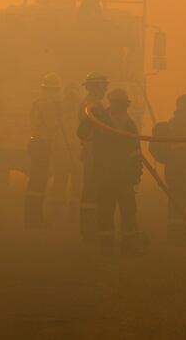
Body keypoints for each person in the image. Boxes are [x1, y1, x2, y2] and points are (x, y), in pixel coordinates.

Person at [77, 89, 144, 255]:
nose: (119, 108)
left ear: (126, 106)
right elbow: (82, 133)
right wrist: (89, 118)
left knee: (128, 211)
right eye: (116, 104)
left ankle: (128, 245)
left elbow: (135, 152)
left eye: (122, 105)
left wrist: (136, 173)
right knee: (105, 211)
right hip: (105, 175)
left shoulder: (130, 125)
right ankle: (106, 244)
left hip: (124, 177)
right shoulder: (100, 120)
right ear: (112, 104)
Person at [149, 94, 186, 246]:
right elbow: (182, 151)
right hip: (178, 171)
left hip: (182, 170)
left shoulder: (184, 124)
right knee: (179, 202)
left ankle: (179, 233)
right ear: (183, 107)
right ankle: (176, 235)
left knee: (183, 201)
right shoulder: (179, 125)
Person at [26, 73, 63, 229]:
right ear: (55, 89)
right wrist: (61, 114)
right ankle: (35, 218)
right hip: (42, 144)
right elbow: (52, 126)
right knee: (40, 181)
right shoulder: (49, 104)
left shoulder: (38, 102)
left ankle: (32, 217)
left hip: (35, 142)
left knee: (36, 180)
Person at [77, 72, 109, 243]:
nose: (105, 88)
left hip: (94, 152)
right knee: (91, 191)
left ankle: (90, 228)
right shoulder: (91, 106)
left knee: (93, 191)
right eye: (103, 85)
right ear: (95, 86)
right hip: (93, 153)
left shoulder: (94, 104)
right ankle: (89, 230)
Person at [50, 82, 82, 221]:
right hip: (72, 148)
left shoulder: (59, 109)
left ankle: (58, 212)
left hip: (66, 148)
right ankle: (70, 212)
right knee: (74, 180)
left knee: (62, 180)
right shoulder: (82, 110)